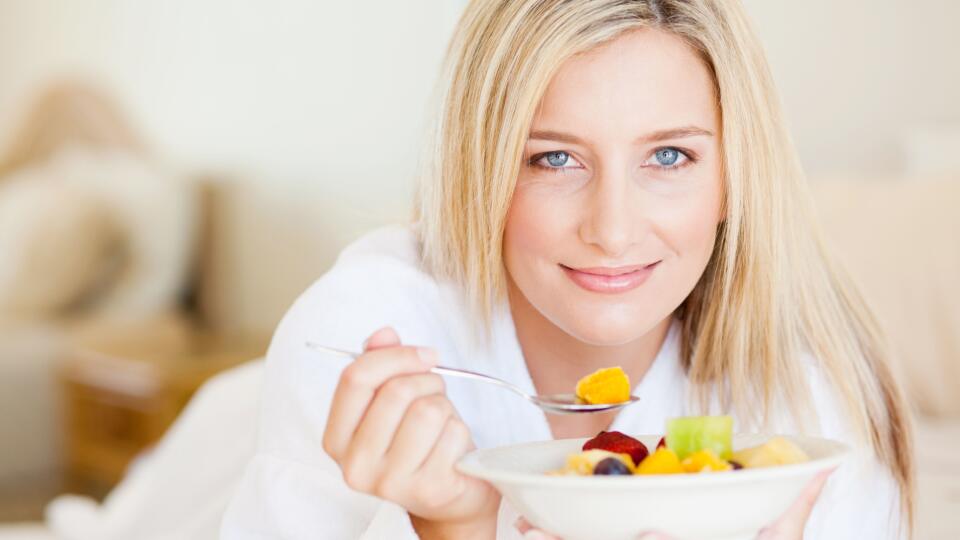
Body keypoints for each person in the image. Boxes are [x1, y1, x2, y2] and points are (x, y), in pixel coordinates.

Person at [221, 1, 914, 538]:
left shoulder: (814, 401)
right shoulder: (360, 333)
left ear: (735, 175)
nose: (611, 231)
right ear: (482, 169)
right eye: (553, 159)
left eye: (669, 156)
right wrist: (453, 530)